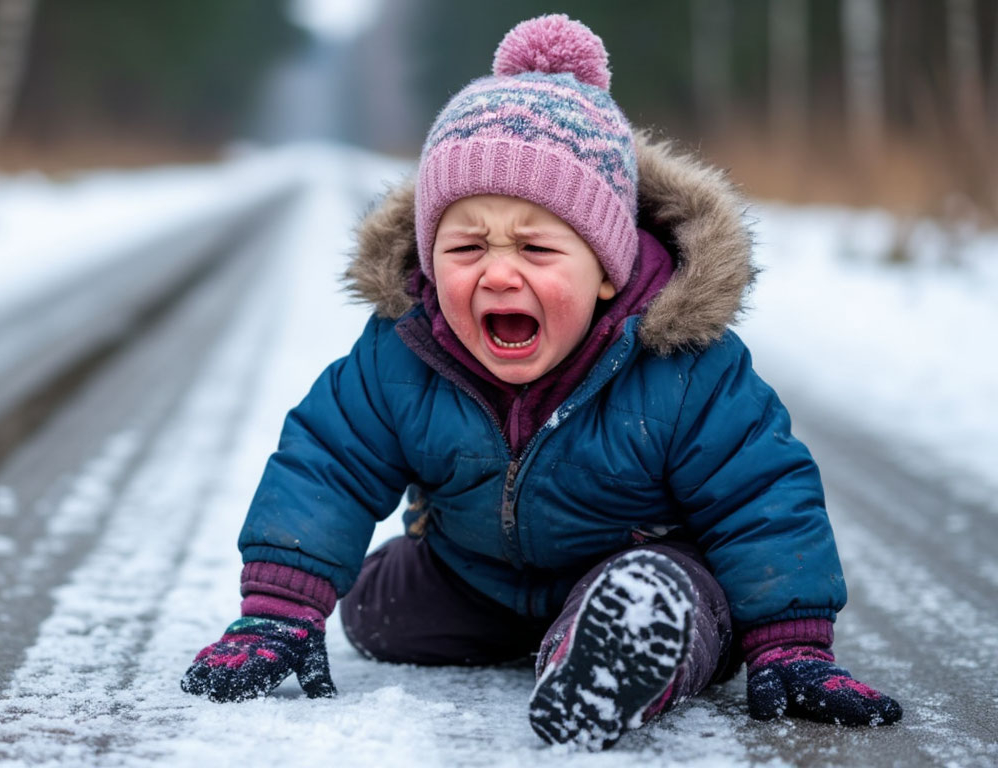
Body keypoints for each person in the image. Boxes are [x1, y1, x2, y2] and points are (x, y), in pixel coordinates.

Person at [179, 14, 902, 749]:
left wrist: (792, 642)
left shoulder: (682, 366)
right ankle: (547, 635)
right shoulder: (404, 352)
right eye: (465, 245)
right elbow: (327, 463)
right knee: (374, 607)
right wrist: (279, 610)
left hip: (632, 563)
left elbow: (762, 494)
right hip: (475, 579)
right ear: (430, 263)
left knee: (678, 598)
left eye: (534, 245)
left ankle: (618, 651)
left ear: (606, 271)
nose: (497, 271)